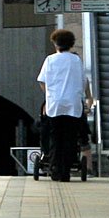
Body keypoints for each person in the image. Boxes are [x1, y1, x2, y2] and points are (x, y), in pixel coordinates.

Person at [37, 29, 84, 182]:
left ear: (56, 44)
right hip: (73, 104)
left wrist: (49, 95)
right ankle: (66, 171)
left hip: (55, 104)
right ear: (71, 44)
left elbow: (42, 81)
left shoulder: (50, 60)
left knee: (55, 138)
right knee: (70, 138)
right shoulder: (76, 60)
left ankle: (55, 169)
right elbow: (82, 81)